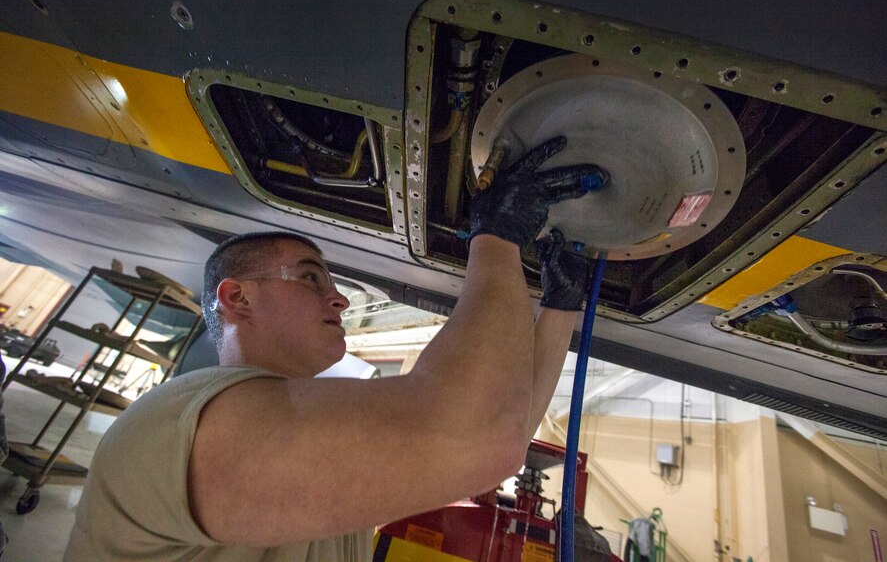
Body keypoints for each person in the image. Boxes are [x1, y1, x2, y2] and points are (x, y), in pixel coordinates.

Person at [65, 136, 600, 561]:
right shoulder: (182, 421)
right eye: (309, 276)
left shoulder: (279, 420)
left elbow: (495, 439)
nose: (339, 298)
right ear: (238, 297)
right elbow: (477, 438)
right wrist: (497, 237)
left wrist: (559, 309)